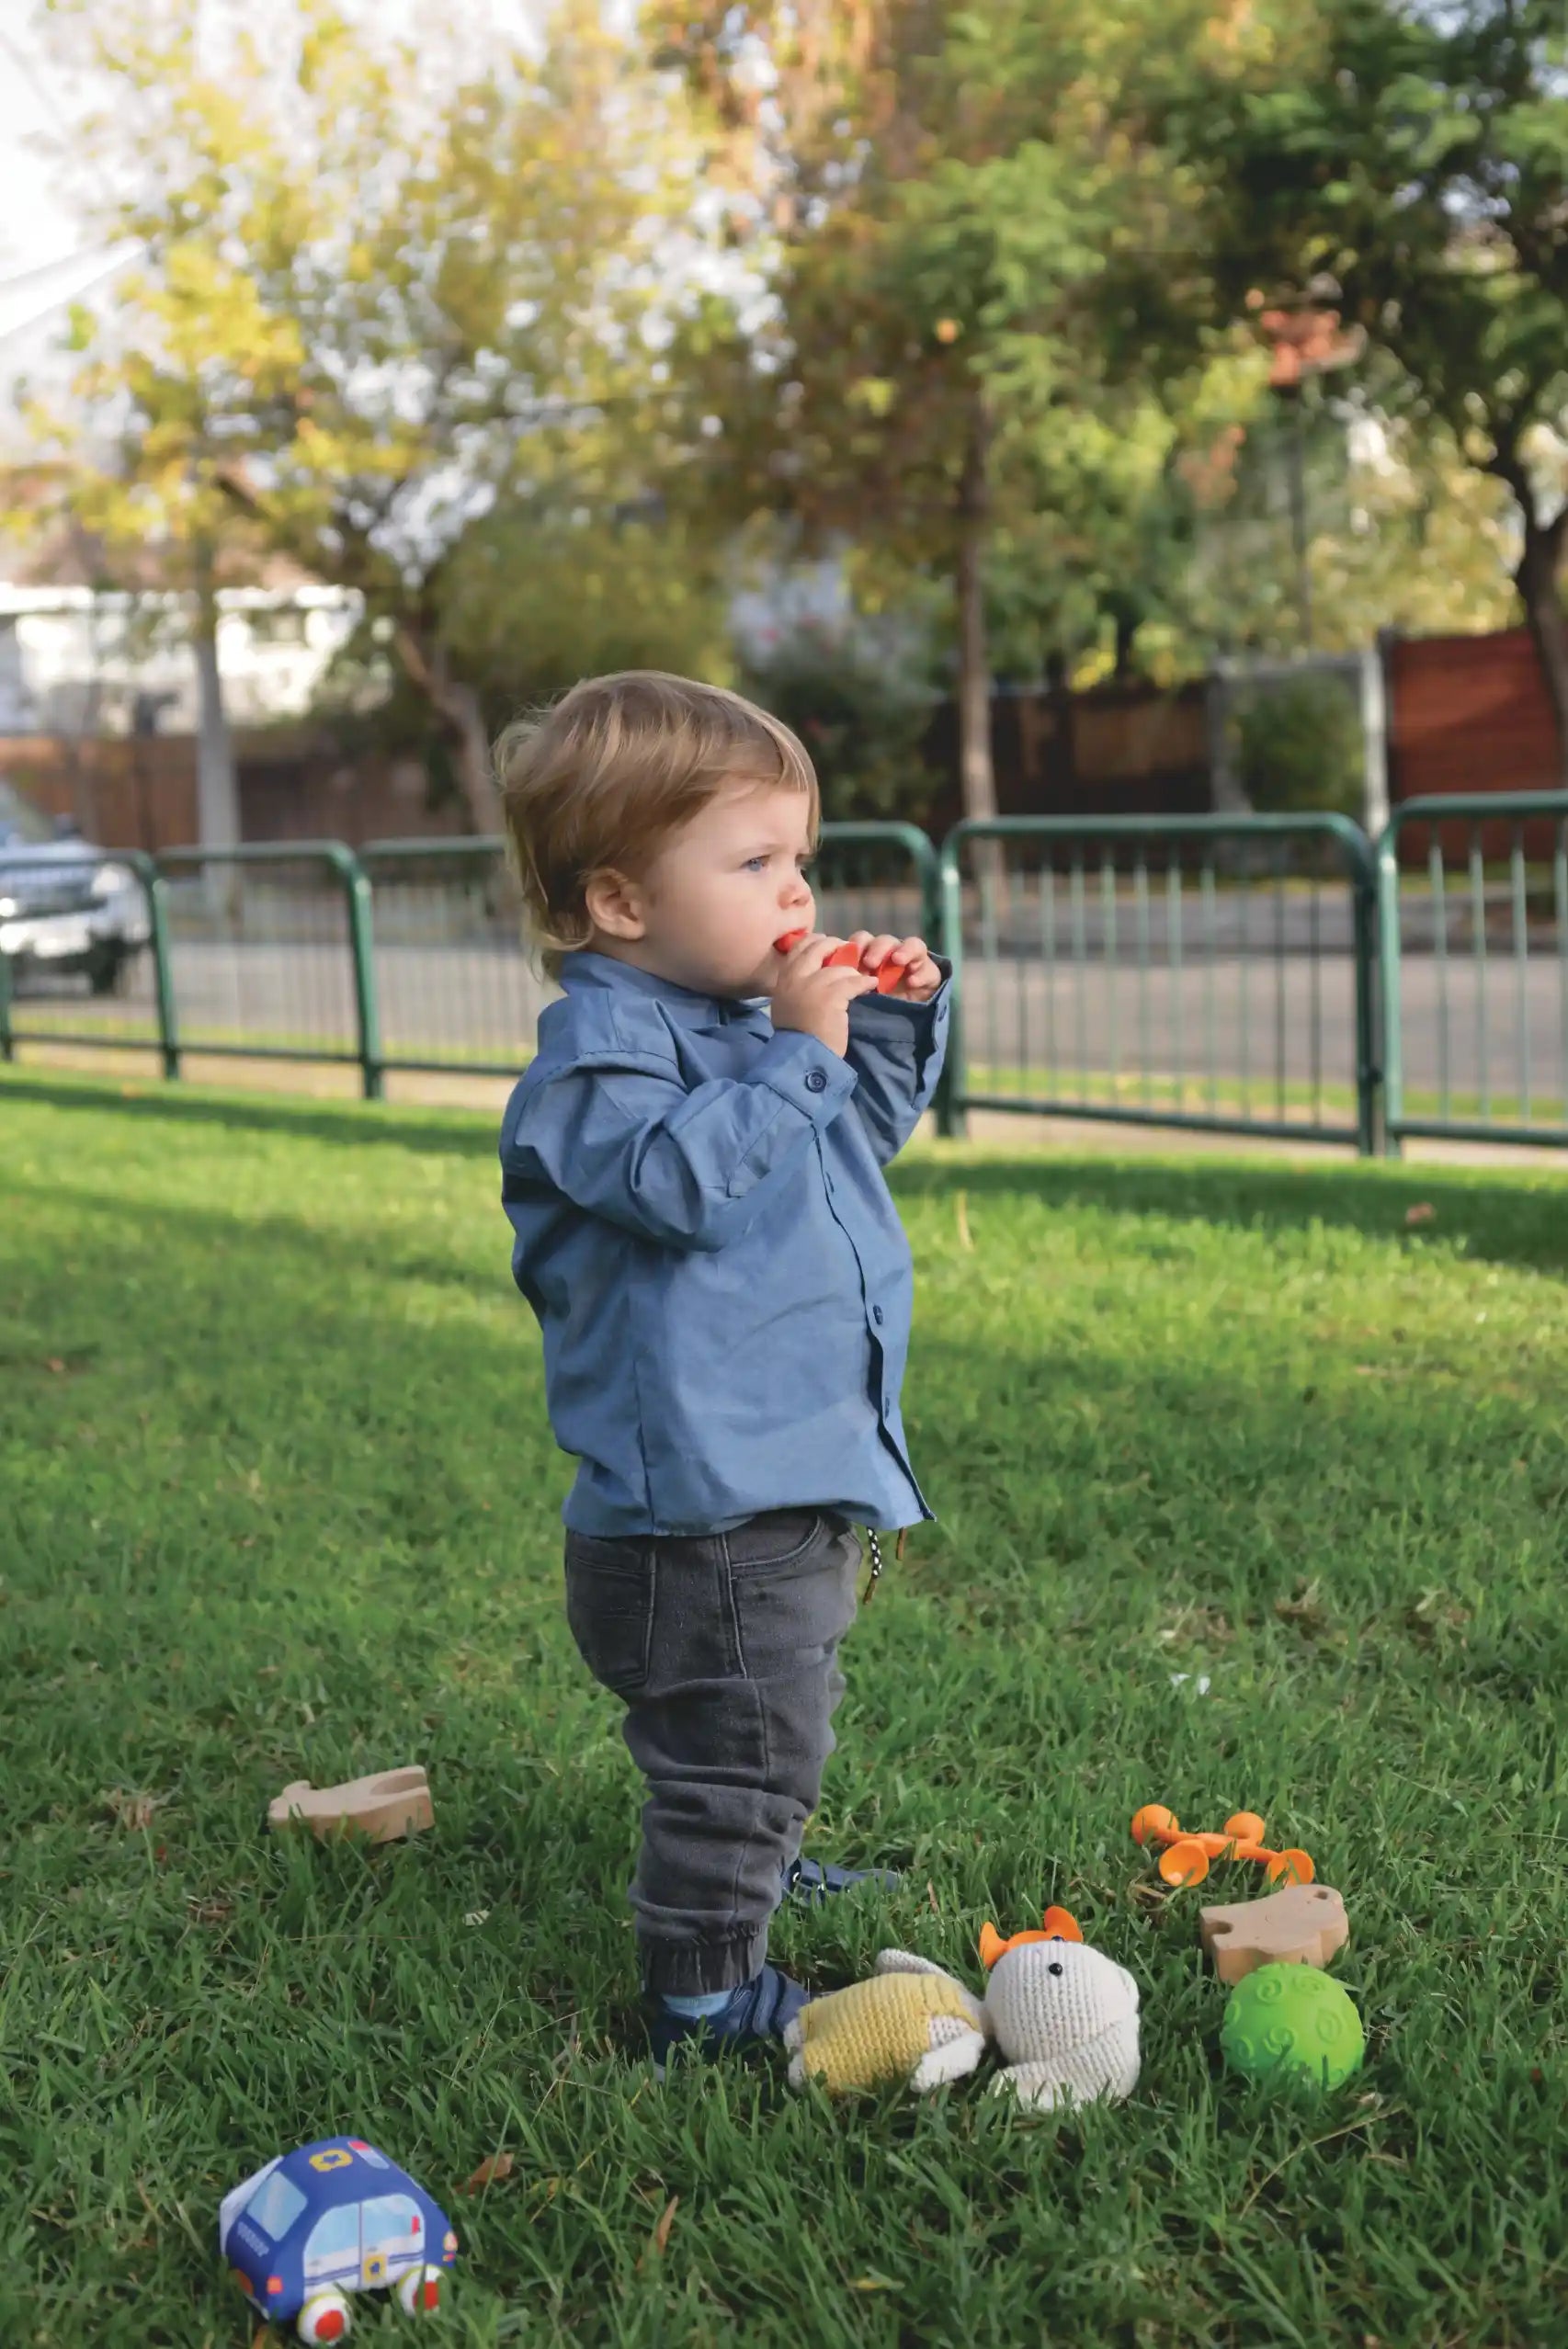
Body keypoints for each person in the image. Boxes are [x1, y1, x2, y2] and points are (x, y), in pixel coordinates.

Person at [495, 671, 949, 2066]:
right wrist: (797, 1055)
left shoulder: (748, 1029)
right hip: (693, 1519)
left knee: (766, 1730)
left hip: (780, 1470)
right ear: (621, 903)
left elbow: (847, 1135)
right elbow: (677, 1185)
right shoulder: (596, 1066)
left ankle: (742, 1878)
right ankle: (701, 1999)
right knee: (738, 1750)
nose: (794, 894)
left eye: (799, 860)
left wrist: (872, 1025)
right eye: (753, 862)